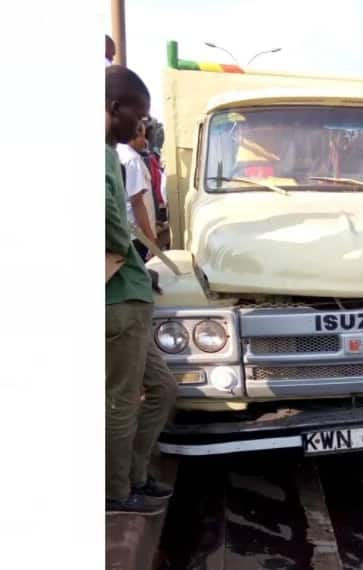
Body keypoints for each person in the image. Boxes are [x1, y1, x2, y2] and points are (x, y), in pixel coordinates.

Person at [106, 65, 177, 516]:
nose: (143, 125)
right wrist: (126, 252)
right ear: (115, 109)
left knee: (162, 389)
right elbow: (111, 221)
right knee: (122, 401)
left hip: (129, 292)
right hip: (116, 299)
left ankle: (133, 475)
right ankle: (115, 493)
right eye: (140, 114)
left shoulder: (110, 155)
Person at [118, 121, 158, 261]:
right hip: (138, 236)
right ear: (132, 136)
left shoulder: (118, 153)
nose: (145, 140)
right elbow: (137, 203)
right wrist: (150, 239)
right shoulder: (132, 160)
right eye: (142, 135)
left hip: (128, 232)